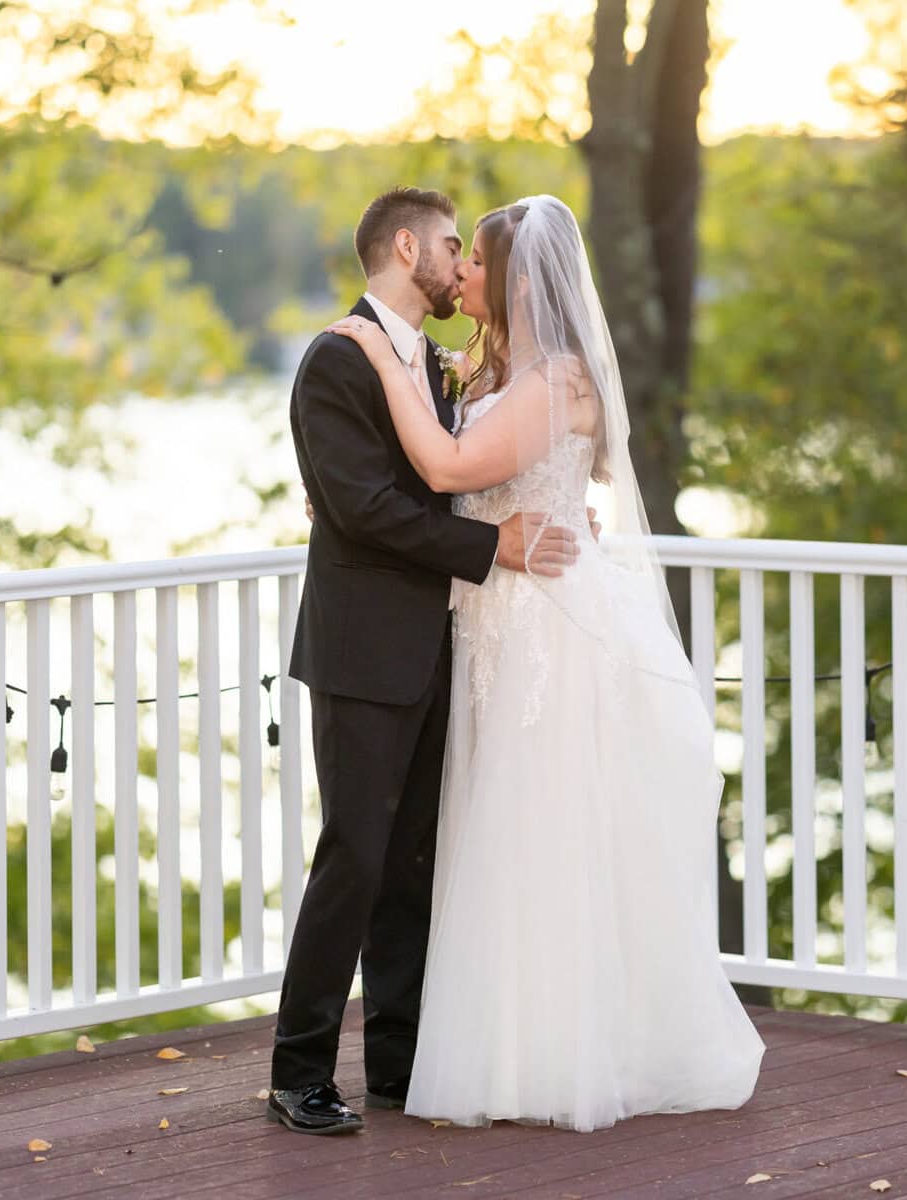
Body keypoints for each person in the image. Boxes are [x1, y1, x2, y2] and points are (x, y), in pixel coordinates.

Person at [324, 194, 763, 1133]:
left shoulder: (557, 379)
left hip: (539, 630)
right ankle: (503, 1044)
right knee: (490, 836)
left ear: (515, 278)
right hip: (487, 624)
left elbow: (445, 468)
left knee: (538, 828)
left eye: (473, 261)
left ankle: (557, 1055)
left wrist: (374, 352)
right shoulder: (495, 369)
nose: (461, 274)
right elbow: (480, 479)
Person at [269, 187, 582, 1136]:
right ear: (407, 250)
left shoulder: (443, 367)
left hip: (447, 642)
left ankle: (399, 1067)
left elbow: (463, 475)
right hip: (365, 649)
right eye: (452, 247)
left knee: (414, 865)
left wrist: (554, 512)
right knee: (354, 857)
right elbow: (362, 508)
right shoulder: (336, 358)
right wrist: (496, 550)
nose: (460, 263)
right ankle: (299, 1073)